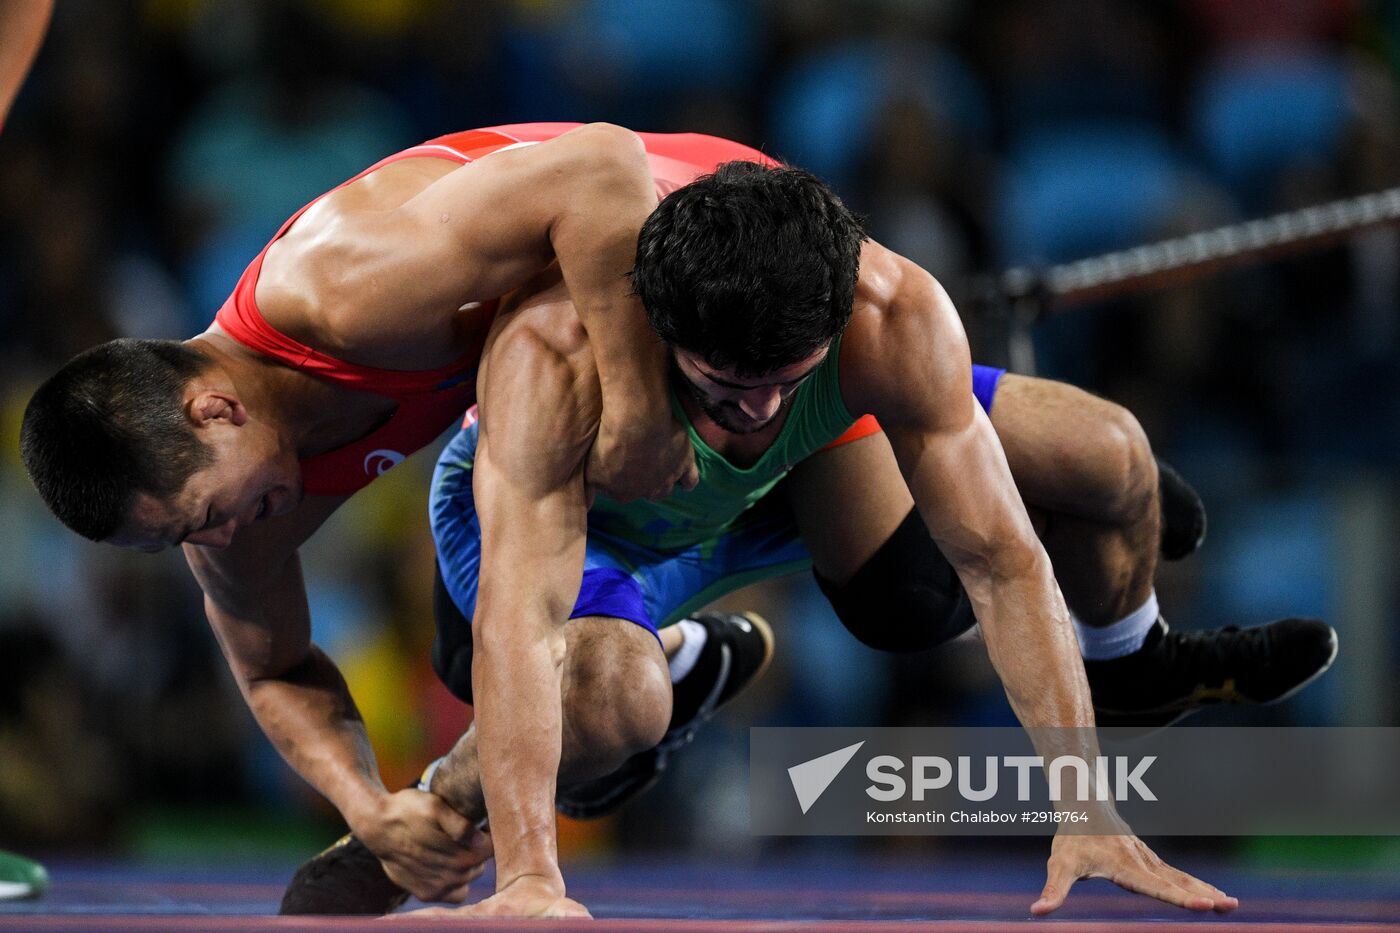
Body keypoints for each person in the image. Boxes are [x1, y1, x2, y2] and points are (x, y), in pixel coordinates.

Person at [293, 153, 1332, 918]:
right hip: (607, 537)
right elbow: (521, 619)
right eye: (723, 386)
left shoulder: (888, 308)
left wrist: (1084, 806)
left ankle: (1129, 664)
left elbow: (1003, 565)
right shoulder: (556, 358)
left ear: (832, 323)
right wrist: (528, 876)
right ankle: (454, 791)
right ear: (655, 325)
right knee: (604, 704)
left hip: (799, 473)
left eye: (781, 381)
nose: (751, 408)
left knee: (1104, 452)